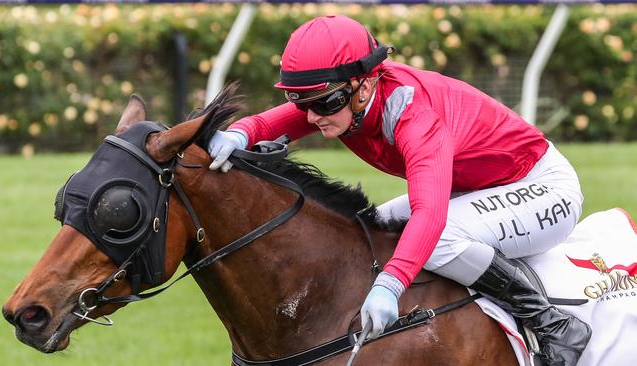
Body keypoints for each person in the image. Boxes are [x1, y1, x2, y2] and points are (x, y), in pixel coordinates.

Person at [207, 15, 591, 365]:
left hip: (540, 186)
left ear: (366, 83)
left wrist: (390, 285)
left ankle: (552, 324)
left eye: (323, 101)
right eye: (299, 100)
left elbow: (430, 214)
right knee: (370, 228)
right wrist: (242, 132)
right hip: (478, 188)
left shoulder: (413, 115)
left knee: (435, 237)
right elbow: (278, 120)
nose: (311, 116)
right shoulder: (347, 101)